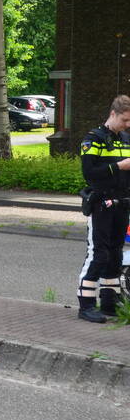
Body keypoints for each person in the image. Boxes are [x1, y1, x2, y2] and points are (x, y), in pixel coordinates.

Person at [76, 94, 130, 323]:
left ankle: (109, 301)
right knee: (98, 253)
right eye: (125, 120)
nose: (128, 125)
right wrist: (119, 166)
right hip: (101, 203)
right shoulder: (93, 139)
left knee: (116, 253)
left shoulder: (126, 139)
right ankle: (86, 304)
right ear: (112, 114)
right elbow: (89, 173)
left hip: (122, 203)